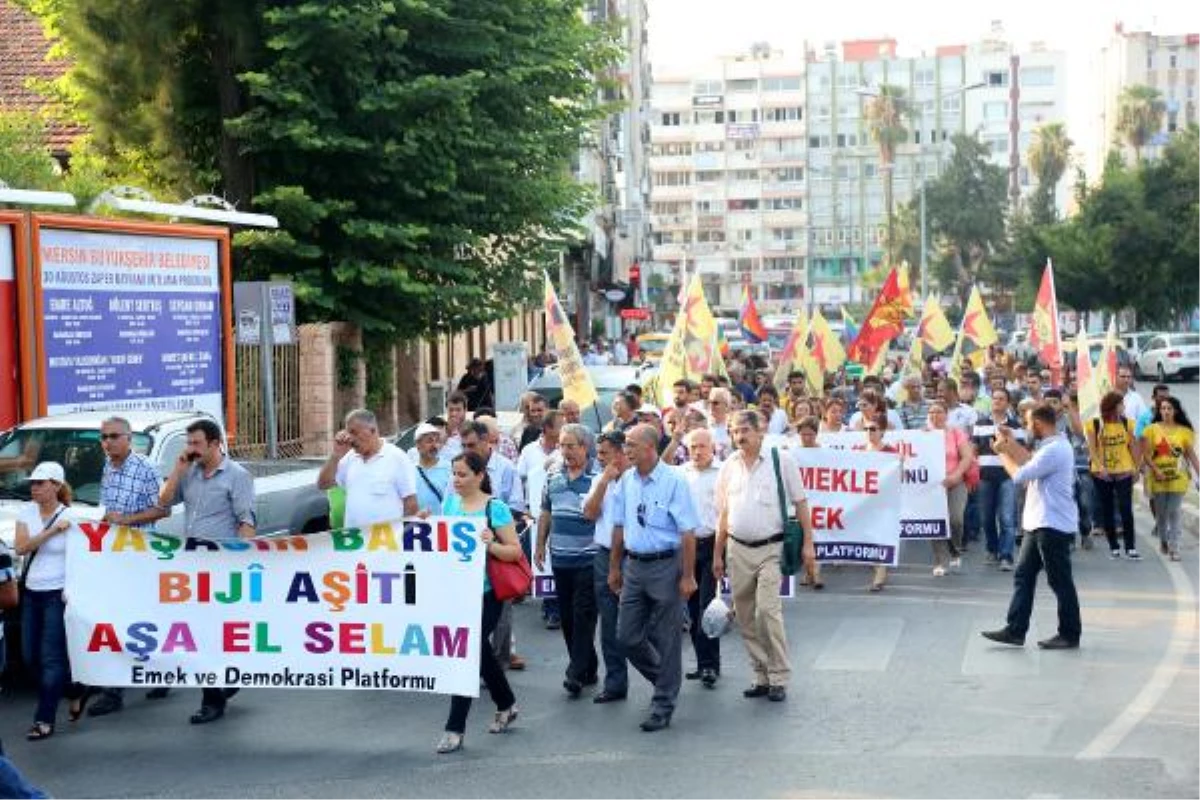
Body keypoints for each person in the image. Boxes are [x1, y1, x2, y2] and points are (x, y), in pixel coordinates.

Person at [159, 420, 256, 724]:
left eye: (197, 444)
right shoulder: (190, 474)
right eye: (189, 443)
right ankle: (222, 684)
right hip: (192, 565)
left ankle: (212, 699)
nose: (191, 449)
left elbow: (246, 521)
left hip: (221, 565)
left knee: (214, 632)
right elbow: (163, 501)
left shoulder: (237, 476)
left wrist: (242, 560)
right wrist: (178, 468)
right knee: (201, 632)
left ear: (215, 444)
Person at [714, 411, 813, 701]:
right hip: (737, 549)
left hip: (772, 549)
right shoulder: (728, 467)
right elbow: (723, 514)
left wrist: (809, 544)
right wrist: (718, 554)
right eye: (734, 431)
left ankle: (779, 677)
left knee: (767, 612)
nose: (739, 436)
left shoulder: (782, 460)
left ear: (761, 431)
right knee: (745, 616)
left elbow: (801, 503)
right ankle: (761, 675)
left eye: (745, 429)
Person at [607, 424, 700, 732]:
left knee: (667, 637)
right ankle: (665, 678)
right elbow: (618, 527)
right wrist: (614, 567)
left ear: (649, 448)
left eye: (631, 445)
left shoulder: (674, 481)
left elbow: (687, 533)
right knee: (626, 636)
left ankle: (663, 703)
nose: (626, 449)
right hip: (634, 566)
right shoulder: (626, 482)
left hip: (666, 565)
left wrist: (687, 576)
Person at [436, 451, 522, 753]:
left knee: (468, 650)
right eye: (453, 474)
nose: (456, 480)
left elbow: (515, 552)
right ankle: (506, 703)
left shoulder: (494, 508)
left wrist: (491, 544)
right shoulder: (449, 504)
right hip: (456, 592)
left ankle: (454, 728)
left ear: (479, 476)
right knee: (478, 650)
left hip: (486, 592)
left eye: (462, 474)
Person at [88, 416, 170, 718]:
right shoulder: (107, 467)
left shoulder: (146, 468)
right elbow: (106, 508)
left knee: (143, 620)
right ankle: (113, 689)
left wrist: (126, 520)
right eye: (103, 437)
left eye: (112, 436)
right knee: (115, 619)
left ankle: (161, 673)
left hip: (140, 556)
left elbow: (163, 509)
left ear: (128, 438)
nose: (107, 443)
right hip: (114, 556)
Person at [982, 403, 1082, 650]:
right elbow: (1028, 461)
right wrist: (1008, 441)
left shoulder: (1055, 450)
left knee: (1060, 581)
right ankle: (1015, 630)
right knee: (1023, 576)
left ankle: (1070, 634)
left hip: (1052, 525)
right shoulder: (1050, 447)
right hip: (1038, 523)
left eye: (1027, 423)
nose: (1026, 428)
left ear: (1038, 423)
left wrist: (1001, 453)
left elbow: (1019, 475)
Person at [14, 462, 88, 740]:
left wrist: (73, 590)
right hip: (32, 592)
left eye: (41, 483)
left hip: (57, 594)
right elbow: (22, 547)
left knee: (51, 658)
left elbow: (78, 560)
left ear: (56, 486)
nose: (34, 488)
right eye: (33, 483)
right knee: (29, 657)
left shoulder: (72, 517)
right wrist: (53, 531)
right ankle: (74, 688)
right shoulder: (27, 513)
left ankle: (43, 720)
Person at [535, 424, 600, 697]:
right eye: (562, 445)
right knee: (568, 619)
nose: (566, 451)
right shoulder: (552, 475)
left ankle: (574, 672)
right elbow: (546, 512)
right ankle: (590, 666)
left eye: (571, 445)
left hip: (590, 558)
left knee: (583, 615)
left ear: (585, 447)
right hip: (560, 558)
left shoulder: (598, 477)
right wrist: (539, 545)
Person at [582, 430, 631, 703]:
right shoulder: (600, 480)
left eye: (604, 453)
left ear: (621, 454)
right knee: (609, 621)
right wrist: (603, 482)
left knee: (641, 623)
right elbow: (589, 514)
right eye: (597, 453)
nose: (598, 458)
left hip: (634, 557)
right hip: (603, 555)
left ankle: (661, 678)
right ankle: (615, 682)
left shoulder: (637, 480)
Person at [318, 409, 418, 527]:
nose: (350, 439)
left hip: (386, 542)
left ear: (373, 430)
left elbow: (411, 503)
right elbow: (323, 484)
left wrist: (403, 536)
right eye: (348, 433)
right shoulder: (350, 457)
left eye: (354, 433)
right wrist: (336, 455)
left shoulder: (397, 457)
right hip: (355, 541)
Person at [680, 428, 723, 688]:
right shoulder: (681, 474)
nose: (697, 451)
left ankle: (710, 666)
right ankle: (703, 663)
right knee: (693, 609)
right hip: (687, 547)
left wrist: (720, 553)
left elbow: (725, 515)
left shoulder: (721, 473)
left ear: (712, 447)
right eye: (693, 447)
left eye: (702, 446)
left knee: (708, 607)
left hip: (711, 544)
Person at [972, 388, 1025, 571]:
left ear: (1008, 403)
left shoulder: (1016, 426)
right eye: (994, 398)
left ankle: (1006, 555)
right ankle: (992, 549)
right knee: (986, 518)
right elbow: (974, 450)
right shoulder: (980, 423)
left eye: (1001, 399)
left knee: (1007, 517)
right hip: (985, 477)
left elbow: (1021, 454)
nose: (997, 401)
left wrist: (1007, 440)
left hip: (1007, 477)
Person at [1142, 397, 1200, 561]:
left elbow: (1192, 457)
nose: (1166, 411)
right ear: (1159, 411)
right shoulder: (1151, 430)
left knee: (1173, 511)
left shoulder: (1185, 432)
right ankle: (1163, 540)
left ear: (1175, 411)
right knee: (1161, 514)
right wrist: (1155, 470)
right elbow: (1146, 455)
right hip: (1158, 478)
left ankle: (1174, 547)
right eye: (1163, 408)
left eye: (1169, 408)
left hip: (1178, 478)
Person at [1087, 391, 1142, 560]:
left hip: (1124, 471)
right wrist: (1100, 466)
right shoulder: (1095, 424)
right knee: (1107, 509)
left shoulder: (1128, 424)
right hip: (1102, 473)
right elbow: (1092, 448)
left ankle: (1130, 547)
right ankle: (1114, 546)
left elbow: (1134, 447)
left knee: (1126, 508)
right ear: (1113, 406)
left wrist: (1137, 468)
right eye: (1121, 404)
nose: (1123, 407)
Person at [926, 402, 973, 576]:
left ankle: (955, 547)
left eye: (938, 411)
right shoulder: (923, 434)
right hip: (932, 485)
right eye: (931, 412)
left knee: (956, 520)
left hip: (955, 481)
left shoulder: (955, 433)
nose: (934, 415)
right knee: (935, 522)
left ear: (946, 414)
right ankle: (940, 560)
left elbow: (967, 457)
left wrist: (956, 475)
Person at [862, 417, 900, 591]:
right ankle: (878, 567)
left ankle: (879, 576)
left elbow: (900, 477)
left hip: (883, 502)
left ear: (882, 432)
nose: (869, 432)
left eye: (873, 429)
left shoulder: (891, 452)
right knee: (869, 537)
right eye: (867, 429)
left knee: (881, 536)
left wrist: (900, 465)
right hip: (864, 502)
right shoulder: (858, 451)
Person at [412, 423, 452, 516]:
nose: (434, 446)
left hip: (445, 526)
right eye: (429, 441)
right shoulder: (409, 472)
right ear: (418, 444)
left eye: (437, 441)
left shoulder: (450, 469)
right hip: (420, 526)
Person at [706, 388, 734, 458]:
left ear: (727, 406)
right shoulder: (703, 425)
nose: (711, 406)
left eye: (715, 403)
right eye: (709, 402)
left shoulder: (734, 427)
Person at [442, 391, 470, 460]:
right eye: (451, 410)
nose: (454, 414)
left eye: (458, 410)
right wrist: (448, 431)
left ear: (465, 410)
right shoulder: (440, 430)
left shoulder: (472, 429)